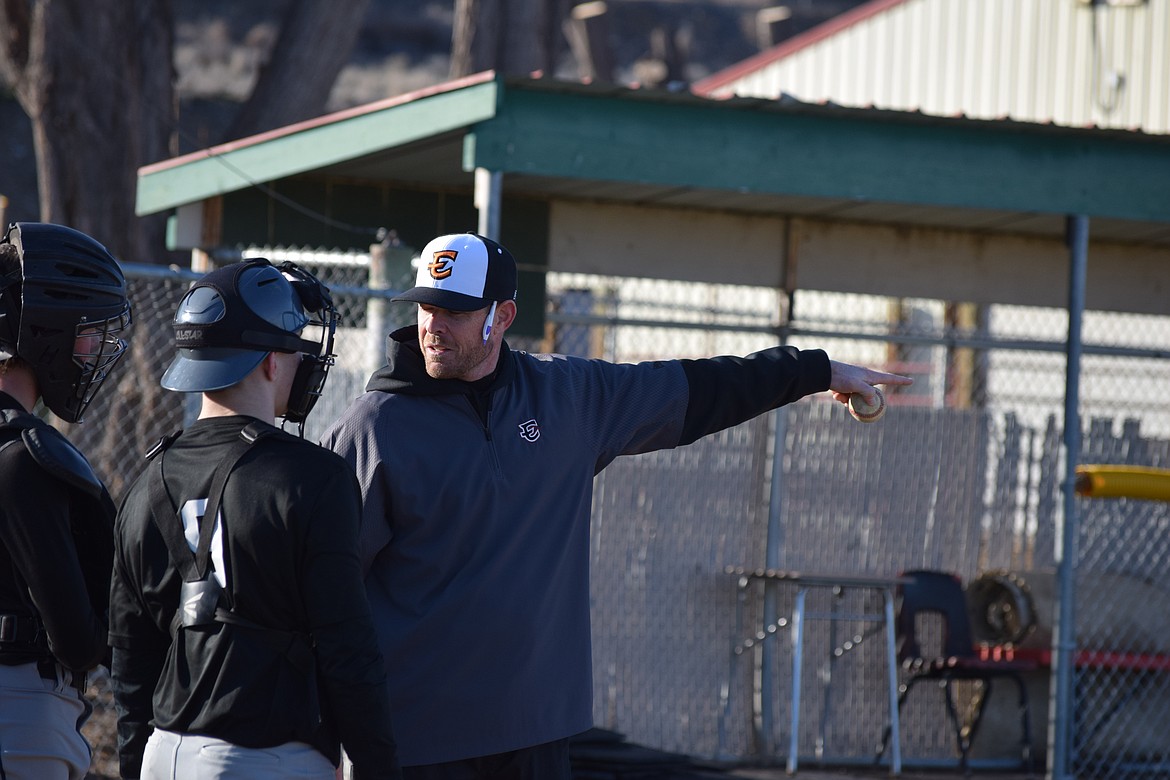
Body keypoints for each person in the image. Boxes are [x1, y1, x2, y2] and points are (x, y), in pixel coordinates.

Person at [320, 231, 914, 778]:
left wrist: (813, 370)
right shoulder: (376, 429)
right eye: (425, 306)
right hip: (420, 741)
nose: (433, 325)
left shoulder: (569, 398)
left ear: (502, 317)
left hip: (538, 731)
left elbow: (699, 387)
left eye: (453, 310)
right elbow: (324, 587)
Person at [108, 258, 401, 780]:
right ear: (270, 361)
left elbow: (131, 667)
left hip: (164, 753)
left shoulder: (143, 483)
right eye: (293, 351)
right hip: (265, 756)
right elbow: (347, 650)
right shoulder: (314, 477)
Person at [0, 222, 132, 780]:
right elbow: (76, 640)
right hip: (19, 712)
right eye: (85, 332)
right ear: (44, 333)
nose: (93, 350)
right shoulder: (24, 454)